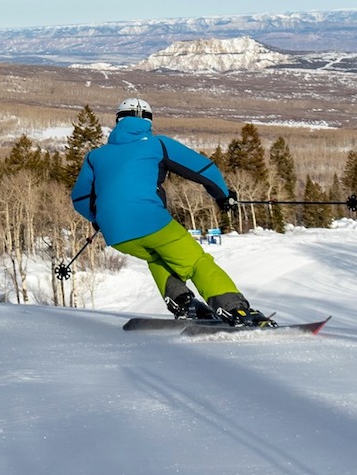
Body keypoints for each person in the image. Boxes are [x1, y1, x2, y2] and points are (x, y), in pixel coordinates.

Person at [69, 98, 275, 327]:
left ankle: (183, 303)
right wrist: (223, 196)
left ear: (118, 120)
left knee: (157, 257)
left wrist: (98, 219)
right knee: (196, 261)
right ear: (148, 121)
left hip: (117, 234)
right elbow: (203, 168)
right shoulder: (158, 145)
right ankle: (234, 309)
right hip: (151, 221)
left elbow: (79, 198)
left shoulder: (96, 156)